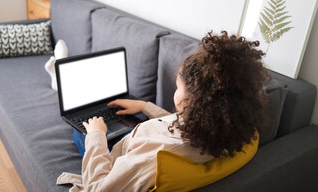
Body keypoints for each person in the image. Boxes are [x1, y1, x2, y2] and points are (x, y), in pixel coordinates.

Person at [56, 31, 269, 191]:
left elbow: (98, 188)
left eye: (178, 86)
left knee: (83, 128)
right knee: (111, 121)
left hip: (124, 159)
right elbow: (180, 124)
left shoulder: (151, 162)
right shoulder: (226, 129)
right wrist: (144, 107)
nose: (175, 91)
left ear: (191, 100)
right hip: (139, 144)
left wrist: (96, 135)